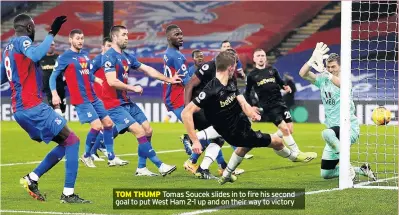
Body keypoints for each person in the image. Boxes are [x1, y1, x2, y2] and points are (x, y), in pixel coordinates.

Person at [182, 51, 311, 185]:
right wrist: (195, 141)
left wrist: (251, 113)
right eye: (235, 66)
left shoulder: (230, 81)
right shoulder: (211, 89)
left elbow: (242, 101)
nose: (237, 69)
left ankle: (226, 174)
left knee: (244, 148)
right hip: (237, 133)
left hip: (241, 124)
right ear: (230, 67)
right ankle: (295, 156)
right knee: (277, 141)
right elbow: (186, 113)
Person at [1, 14, 90, 203]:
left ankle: (32, 179)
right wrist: (52, 33)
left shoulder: (6, 49)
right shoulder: (21, 41)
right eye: (33, 27)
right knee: (72, 141)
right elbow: (35, 54)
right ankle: (68, 194)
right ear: (29, 28)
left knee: (66, 142)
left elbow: (2, 77)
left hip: (20, 110)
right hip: (32, 106)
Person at [99, 25, 180, 176]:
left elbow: (148, 70)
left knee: (148, 130)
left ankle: (141, 168)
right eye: (123, 34)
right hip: (113, 104)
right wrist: (133, 88)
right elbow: (111, 81)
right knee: (138, 131)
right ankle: (160, 165)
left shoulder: (127, 57)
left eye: (127, 34)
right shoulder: (109, 56)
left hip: (125, 101)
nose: (127, 37)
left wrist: (168, 79)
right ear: (115, 37)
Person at [50, 29, 128, 168]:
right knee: (97, 126)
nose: (80, 41)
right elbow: (52, 77)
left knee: (108, 123)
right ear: (70, 40)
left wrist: (97, 79)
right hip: (81, 98)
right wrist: (54, 94)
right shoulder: (64, 58)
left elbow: (87, 74)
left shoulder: (85, 56)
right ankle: (86, 156)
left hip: (92, 96)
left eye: (82, 38)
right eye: (77, 38)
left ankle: (111, 157)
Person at [299, 42, 376, 181]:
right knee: (326, 174)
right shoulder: (322, 79)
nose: (330, 69)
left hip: (348, 128)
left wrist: (327, 74)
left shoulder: (345, 78)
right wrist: (312, 60)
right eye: (328, 67)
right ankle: (361, 169)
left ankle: (346, 165)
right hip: (334, 133)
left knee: (326, 133)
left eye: (333, 67)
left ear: (340, 67)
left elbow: (341, 84)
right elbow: (303, 74)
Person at [244, 48, 317, 161]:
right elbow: (247, 93)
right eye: (258, 56)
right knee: (285, 129)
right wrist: (251, 106)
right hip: (269, 107)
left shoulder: (272, 71)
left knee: (289, 129)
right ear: (254, 59)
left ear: (265, 57)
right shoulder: (252, 75)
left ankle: (274, 139)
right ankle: (297, 153)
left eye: (262, 55)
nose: (260, 58)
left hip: (281, 104)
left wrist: (285, 86)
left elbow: (280, 82)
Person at [183, 49, 245, 179]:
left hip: (211, 108)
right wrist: (188, 109)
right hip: (199, 107)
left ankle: (203, 168)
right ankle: (191, 142)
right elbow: (189, 85)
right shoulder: (209, 66)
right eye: (235, 62)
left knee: (218, 137)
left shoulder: (230, 75)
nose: (236, 65)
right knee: (219, 134)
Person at [40, 41, 66, 117]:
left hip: (60, 88)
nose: (50, 46)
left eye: (52, 45)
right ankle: (58, 127)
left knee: (62, 110)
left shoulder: (59, 58)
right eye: (48, 45)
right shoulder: (41, 59)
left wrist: (65, 82)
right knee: (54, 109)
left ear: (55, 46)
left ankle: (62, 126)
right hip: (48, 89)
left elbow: (68, 71)